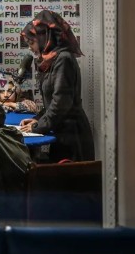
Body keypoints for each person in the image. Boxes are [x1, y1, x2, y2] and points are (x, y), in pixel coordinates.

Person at [18, 10, 95, 163]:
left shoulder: (63, 59)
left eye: (31, 43)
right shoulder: (51, 60)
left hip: (72, 138)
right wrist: (37, 120)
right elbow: (51, 103)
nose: (30, 48)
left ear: (44, 38)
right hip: (61, 133)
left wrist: (37, 127)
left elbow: (61, 103)